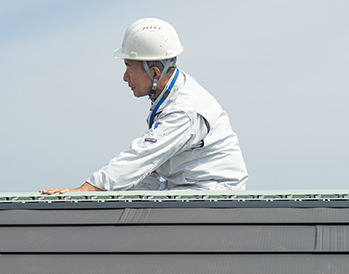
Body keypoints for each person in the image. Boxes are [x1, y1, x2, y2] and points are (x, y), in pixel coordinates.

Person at [41, 18, 247, 194]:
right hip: (188, 186)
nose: (125, 78)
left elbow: (142, 155)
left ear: (155, 72)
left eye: (129, 68)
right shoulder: (173, 92)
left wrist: (86, 190)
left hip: (211, 196)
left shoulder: (183, 111)